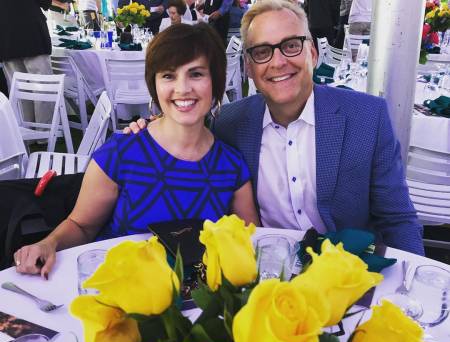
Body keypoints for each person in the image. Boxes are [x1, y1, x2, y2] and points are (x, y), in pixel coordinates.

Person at [127, 0, 424, 256]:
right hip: (265, 273)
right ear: (248, 66)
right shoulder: (228, 123)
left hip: (347, 274)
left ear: (313, 54)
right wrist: (144, 128)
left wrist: (411, 287)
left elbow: (397, 219)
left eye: (291, 46)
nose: (278, 62)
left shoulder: (366, 117)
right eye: (262, 52)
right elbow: (183, 133)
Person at [14, 23, 259, 278]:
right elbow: (82, 225)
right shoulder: (121, 153)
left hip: (200, 297)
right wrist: (49, 243)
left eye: (196, 74)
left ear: (215, 82)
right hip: (125, 287)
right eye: (168, 76)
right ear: (154, 85)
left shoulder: (231, 166)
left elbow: (250, 241)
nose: (183, 88)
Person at [0, 0, 60, 124]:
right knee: (42, 88)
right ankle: (44, 130)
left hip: (6, 38)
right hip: (32, 35)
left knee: (19, 91)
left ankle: (27, 130)